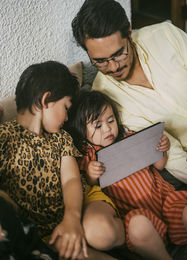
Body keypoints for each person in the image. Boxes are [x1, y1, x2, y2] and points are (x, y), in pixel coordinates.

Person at [71, 0, 187, 191]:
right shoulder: (104, 99)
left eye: (118, 54)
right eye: (100, 61)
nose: (113, 67)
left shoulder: (165, 36)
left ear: (129, 33)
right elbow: (169, 152)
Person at [0, 61, 125, 260]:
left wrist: (72, 218)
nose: (67, 117)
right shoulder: (5, 137)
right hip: (42, 235)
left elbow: (71, 180)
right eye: (66, 107)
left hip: (74, 212)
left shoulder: (61, 139)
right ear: (46, 100)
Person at [68, 89, 187, 260]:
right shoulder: (89, 157)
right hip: (137, 214)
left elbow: (159, 166)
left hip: (166, 200)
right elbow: (90, 188)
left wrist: (162, 149)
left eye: (111, 120)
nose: (108, 128)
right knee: (138, 227)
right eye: (98, 126)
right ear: (82, 130)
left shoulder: (130, 137)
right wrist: (92, 175)